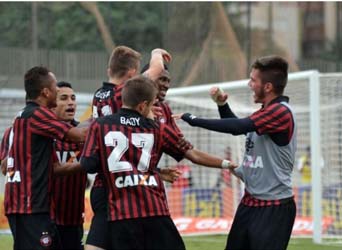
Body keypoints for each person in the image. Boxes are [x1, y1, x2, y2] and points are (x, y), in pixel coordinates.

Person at [80, 75, 236, 250]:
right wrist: (225, 164)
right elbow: (192, 154)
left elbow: (88, 165)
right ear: (142, 106)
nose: (156, 109)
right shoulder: (157, 128)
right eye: (153, 104)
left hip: (120, 212)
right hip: (154, 209)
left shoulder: (100, 126)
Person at [176, 55, 297, 250]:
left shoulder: (280, 112)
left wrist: (192, 118)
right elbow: (241, 127)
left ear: (267, 87)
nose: (250, 84)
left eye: (253, 80)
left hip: (274, 207)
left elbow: (238, 127)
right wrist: (222, 105)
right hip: (250, 203)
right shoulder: (265, 113)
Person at [87, 46, 176, 250]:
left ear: (109, 69)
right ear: (132, 74)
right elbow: (155, 70)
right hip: (119, 187)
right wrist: (156, 53)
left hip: (102, 182)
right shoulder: (123, 94)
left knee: (98, 239)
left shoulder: (99, 95)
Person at [4, 66, 87, 250]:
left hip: (31, 206)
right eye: (57, 89)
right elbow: (79, 135)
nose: (58, 91)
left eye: (72, 98)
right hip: (30, 206)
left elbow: (53, 168)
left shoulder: (21, 119)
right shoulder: (38, 115)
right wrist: (109, 124)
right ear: (46, 92)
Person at [51, 81, 88, 250]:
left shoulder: (83, 133)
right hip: (45, 216)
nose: (70, 102)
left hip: (73, 216)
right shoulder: (41, 131)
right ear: (52, 102)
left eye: (73, 98)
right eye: (64, 98)